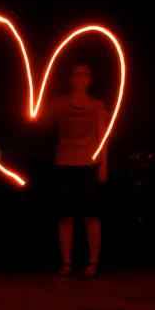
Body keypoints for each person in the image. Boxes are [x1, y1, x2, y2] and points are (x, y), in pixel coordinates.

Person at [49, 64, 108, 277]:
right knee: (66, 216)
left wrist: (104, 165)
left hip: (89, 164)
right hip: (65, 163)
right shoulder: (59, 104)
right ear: (70, 78)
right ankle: (66, 262)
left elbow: (102, 136)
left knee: (91, 215)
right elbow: (39, 119)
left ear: (89, 79)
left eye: (84, 73)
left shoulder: (96, 105)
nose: (80, 77)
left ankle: (93, 262)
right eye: (76, 73)